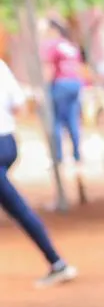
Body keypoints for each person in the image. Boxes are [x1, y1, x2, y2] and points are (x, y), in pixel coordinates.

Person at [0, 59, 78, 287]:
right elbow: (19, 107)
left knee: (17, 207)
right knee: (14, 206)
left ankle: (57, 262)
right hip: (7, 143)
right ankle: (56, 262)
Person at [41, 19, 84, 176]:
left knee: (56, 122)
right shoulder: (70, 45)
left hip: (60, 84)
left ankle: (57, 157)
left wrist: (44, 88)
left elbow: (49, 67)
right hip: (75, 83)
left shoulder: (53, 44)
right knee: (73, 121)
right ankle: (77, 155)